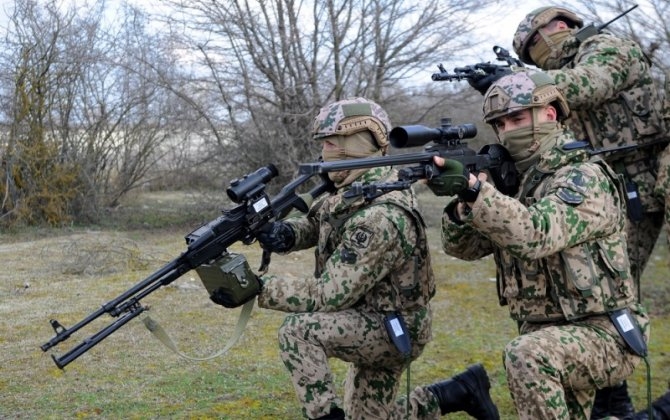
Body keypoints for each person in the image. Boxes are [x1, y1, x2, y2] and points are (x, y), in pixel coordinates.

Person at [210, 97, 499, 419]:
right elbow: (319, 223)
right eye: (323, 143)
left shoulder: (380, 215)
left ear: (359, 142)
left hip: (392, 326)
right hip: (369, 313)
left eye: (332, 142)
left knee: (299, 331)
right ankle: (457, 392)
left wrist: (255, 287)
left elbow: (329, 294)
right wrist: (285, 234)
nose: (325, 152)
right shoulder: (357, 188)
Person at [469, 7, 670, 417]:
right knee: (602, 284)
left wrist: (516, 84)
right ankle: (612, 398)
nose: (535, 59)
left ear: (559, 28)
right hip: (620, 186)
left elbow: (587, 85)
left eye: (533, 48)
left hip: (653, 172)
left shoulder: (608, 48)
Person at [429, 70, 650, 419]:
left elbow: (537, 233)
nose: (507, 131)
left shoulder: (583, 176)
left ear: (549, 114)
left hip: (604, 332)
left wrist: (478, 192)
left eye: (517, 118)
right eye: (499, 124)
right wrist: (463, 204)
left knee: (527, 355)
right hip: (545, 332)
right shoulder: (516, 181)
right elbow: (464, 249)